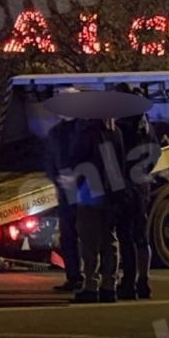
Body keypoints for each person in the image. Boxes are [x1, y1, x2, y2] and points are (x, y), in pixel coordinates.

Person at [68, 116, 125, 303]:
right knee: (109, 238)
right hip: (111, 193)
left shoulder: (87, 133)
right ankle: (109, 285)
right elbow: (120, 164)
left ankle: (91, 286)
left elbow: (77, 161)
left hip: (90, 192)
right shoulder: (116, 132)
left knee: (89, 241)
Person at [113, 83, 162, 300]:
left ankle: (129, 283)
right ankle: (144, 281)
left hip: (126, 186)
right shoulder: (146, 125)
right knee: (141, 237)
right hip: (142, 184)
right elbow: (155, 154)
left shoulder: (122, 127)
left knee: (126, 235)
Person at [43, 87, 83, 292]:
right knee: (68, 236)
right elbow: (49, 160)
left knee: (90, 236)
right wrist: (57, 180)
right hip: (67, 193)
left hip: (87, 192)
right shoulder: (55, 133)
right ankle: (74, 277)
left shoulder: (86, 130)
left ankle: (95, 279)